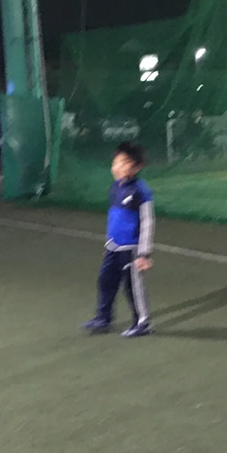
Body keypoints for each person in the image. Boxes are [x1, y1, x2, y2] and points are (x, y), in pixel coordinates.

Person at [82, 140, 155, 337]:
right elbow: (114, 217)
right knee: (106, 281)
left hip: (131, 249)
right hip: (112, 247)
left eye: (124, 163)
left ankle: (142, 323)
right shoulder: (115, 187)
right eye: (116, 163)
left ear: (137, 167)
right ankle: (103, 317)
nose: (117, 167)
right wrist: (109, 241)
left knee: (133, 287)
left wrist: (144, 253)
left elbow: (147, 222)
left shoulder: (141, 191)